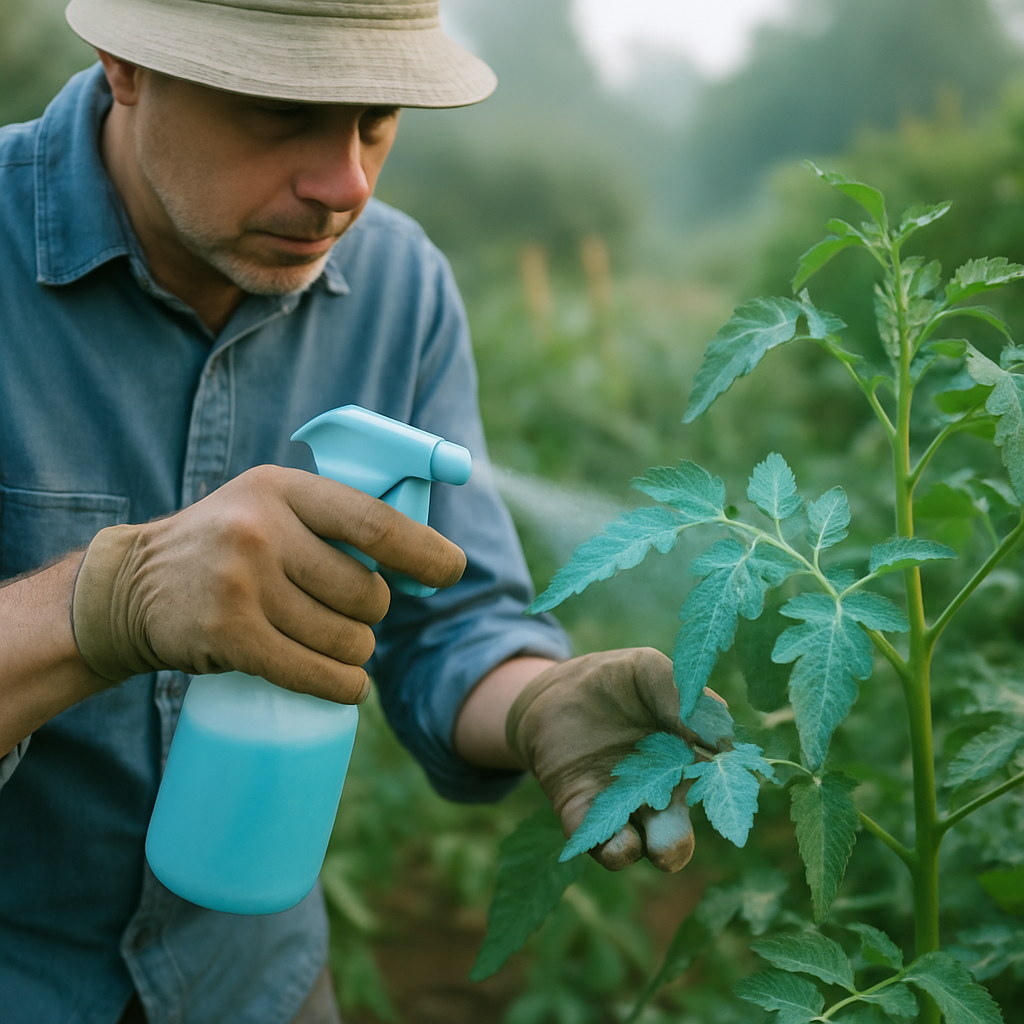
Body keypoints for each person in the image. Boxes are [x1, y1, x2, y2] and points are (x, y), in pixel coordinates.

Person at [0, 2, 707, 1021]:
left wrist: (538, 704)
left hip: (257, 985)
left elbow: (449, 621)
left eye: (376, 118)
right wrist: (99, 605)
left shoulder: (399, 286)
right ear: (126, 65)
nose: (348, 185)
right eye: (281, 112)